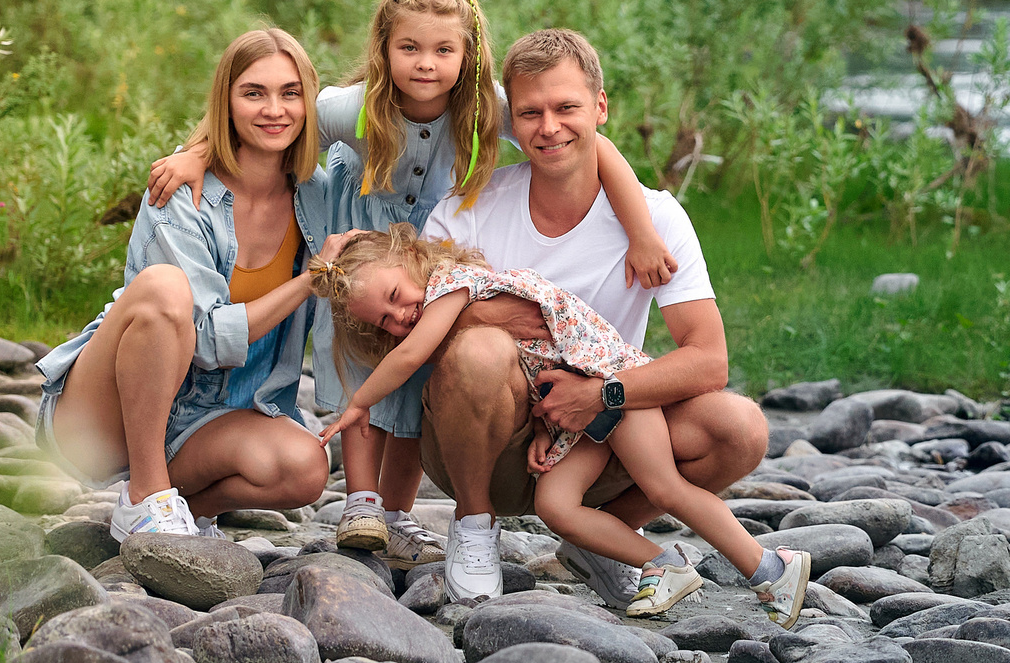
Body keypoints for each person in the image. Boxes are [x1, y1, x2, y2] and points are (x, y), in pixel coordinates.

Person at [141, 0, 675, 561]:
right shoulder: (357, 107)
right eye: (410, 48)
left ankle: (395, 512)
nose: (426, 64)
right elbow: (280, 121)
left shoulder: (485, 105)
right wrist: (197, 152)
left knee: (418, 369)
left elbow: (597, 145)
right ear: (384, 49)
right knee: (356, 357)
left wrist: (642, 233)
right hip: (364, 251)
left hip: (430, 251)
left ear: (469, 54)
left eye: (444, 50)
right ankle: (360, 501)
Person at [415, 28, 770, 607]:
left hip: (595, 443)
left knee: (741, 427)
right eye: (530, 113)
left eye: (566, 108)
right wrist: (482, 319)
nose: (549, 127)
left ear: (600, 107)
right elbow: (411, 333)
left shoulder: (654, 220)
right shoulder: (468, 210)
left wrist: (601, 394)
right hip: (487, 444)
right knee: (479, 349)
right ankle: (474, 524)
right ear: (512, 121)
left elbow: (708, 361)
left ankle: (602, 540)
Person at [309, 226, 809, 622]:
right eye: (384, 321)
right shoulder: (435, 299)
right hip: (573, 414)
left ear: (408, 258)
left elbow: (409, 356)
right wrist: (545, 429)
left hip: (614, 388)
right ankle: (662, 564)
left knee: (665, 486)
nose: (400, 316)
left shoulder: (450, 282)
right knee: (556, 505)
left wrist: (359, 405)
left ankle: (770, 568)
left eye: (395, 295)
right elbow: (539, 364)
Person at [35, 28, 340, 537]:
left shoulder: (319, 196)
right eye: (253, 93)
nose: (274, 110)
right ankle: (146, 497)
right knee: (164, 288)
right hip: (105, 416)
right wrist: (309, 281)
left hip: (210, 419)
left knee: (306, 468)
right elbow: (208, 340)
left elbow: (384, 118)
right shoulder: (181, 188)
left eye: (290, 93)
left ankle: (180, 510)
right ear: (226, 102)